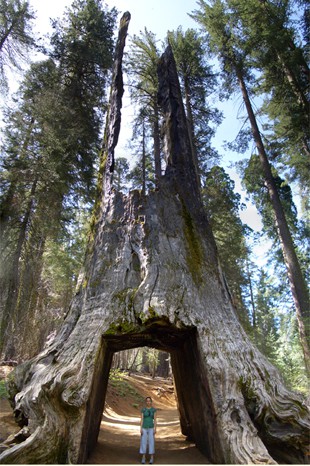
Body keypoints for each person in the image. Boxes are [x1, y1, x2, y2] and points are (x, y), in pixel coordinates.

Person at [139, 396, 157, 464]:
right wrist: (140, 428)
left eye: (149, 401)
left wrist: (155, 428)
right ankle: (143, 457)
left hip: (151, 428)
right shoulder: (143, 410)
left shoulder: (153, 410)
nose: (148, 402)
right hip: (144, 427)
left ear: (151, 402)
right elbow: (142, 419)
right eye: (147, 401)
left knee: (151, 442)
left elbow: (155, 420)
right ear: (145, 402)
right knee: (143, 442)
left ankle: (151, 457)